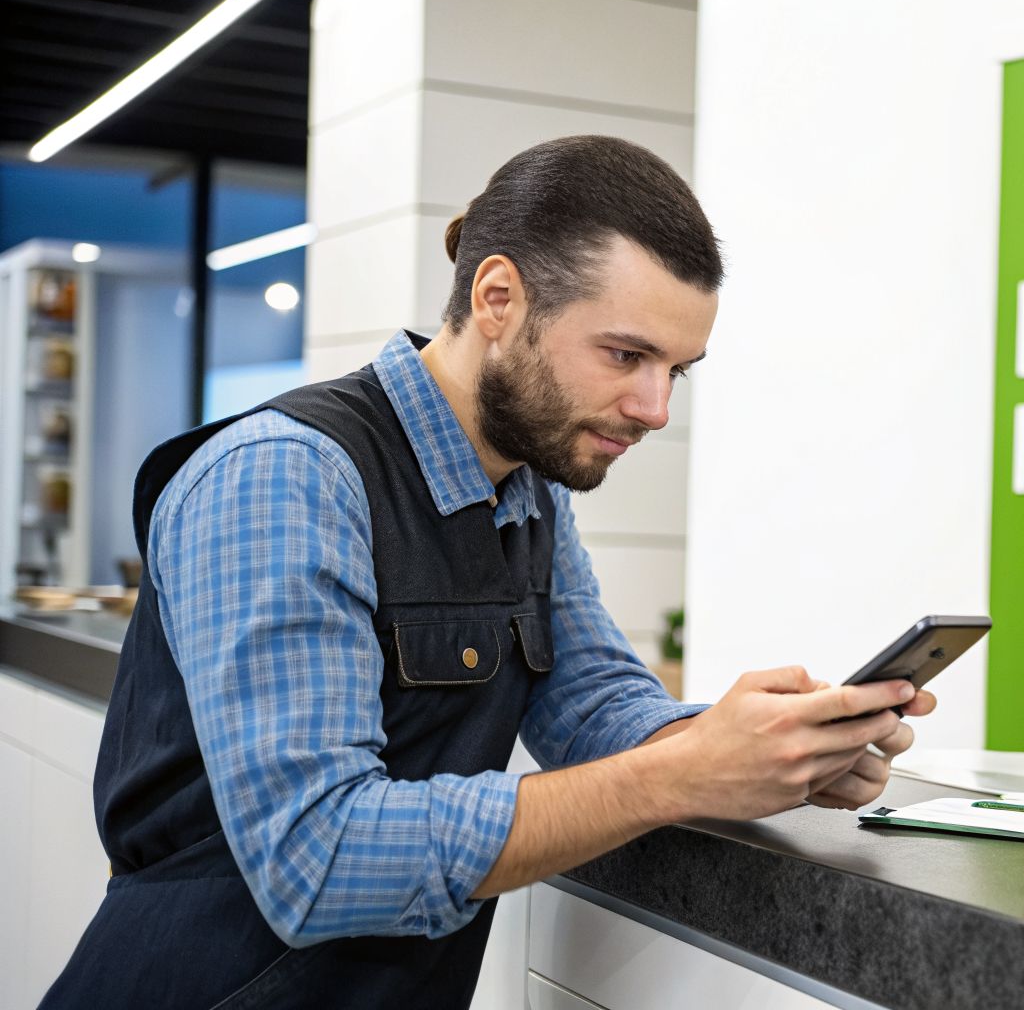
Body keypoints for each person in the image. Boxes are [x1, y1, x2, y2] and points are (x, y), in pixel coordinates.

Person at [42, 135, 933, 1008]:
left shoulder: (532, 492)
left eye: (677, 371)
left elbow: (590, 704)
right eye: (625, 355)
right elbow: (316, 857)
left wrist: (763, 751)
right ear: (498, 297)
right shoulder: (285, 475)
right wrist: (679, 775)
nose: (655, 409)